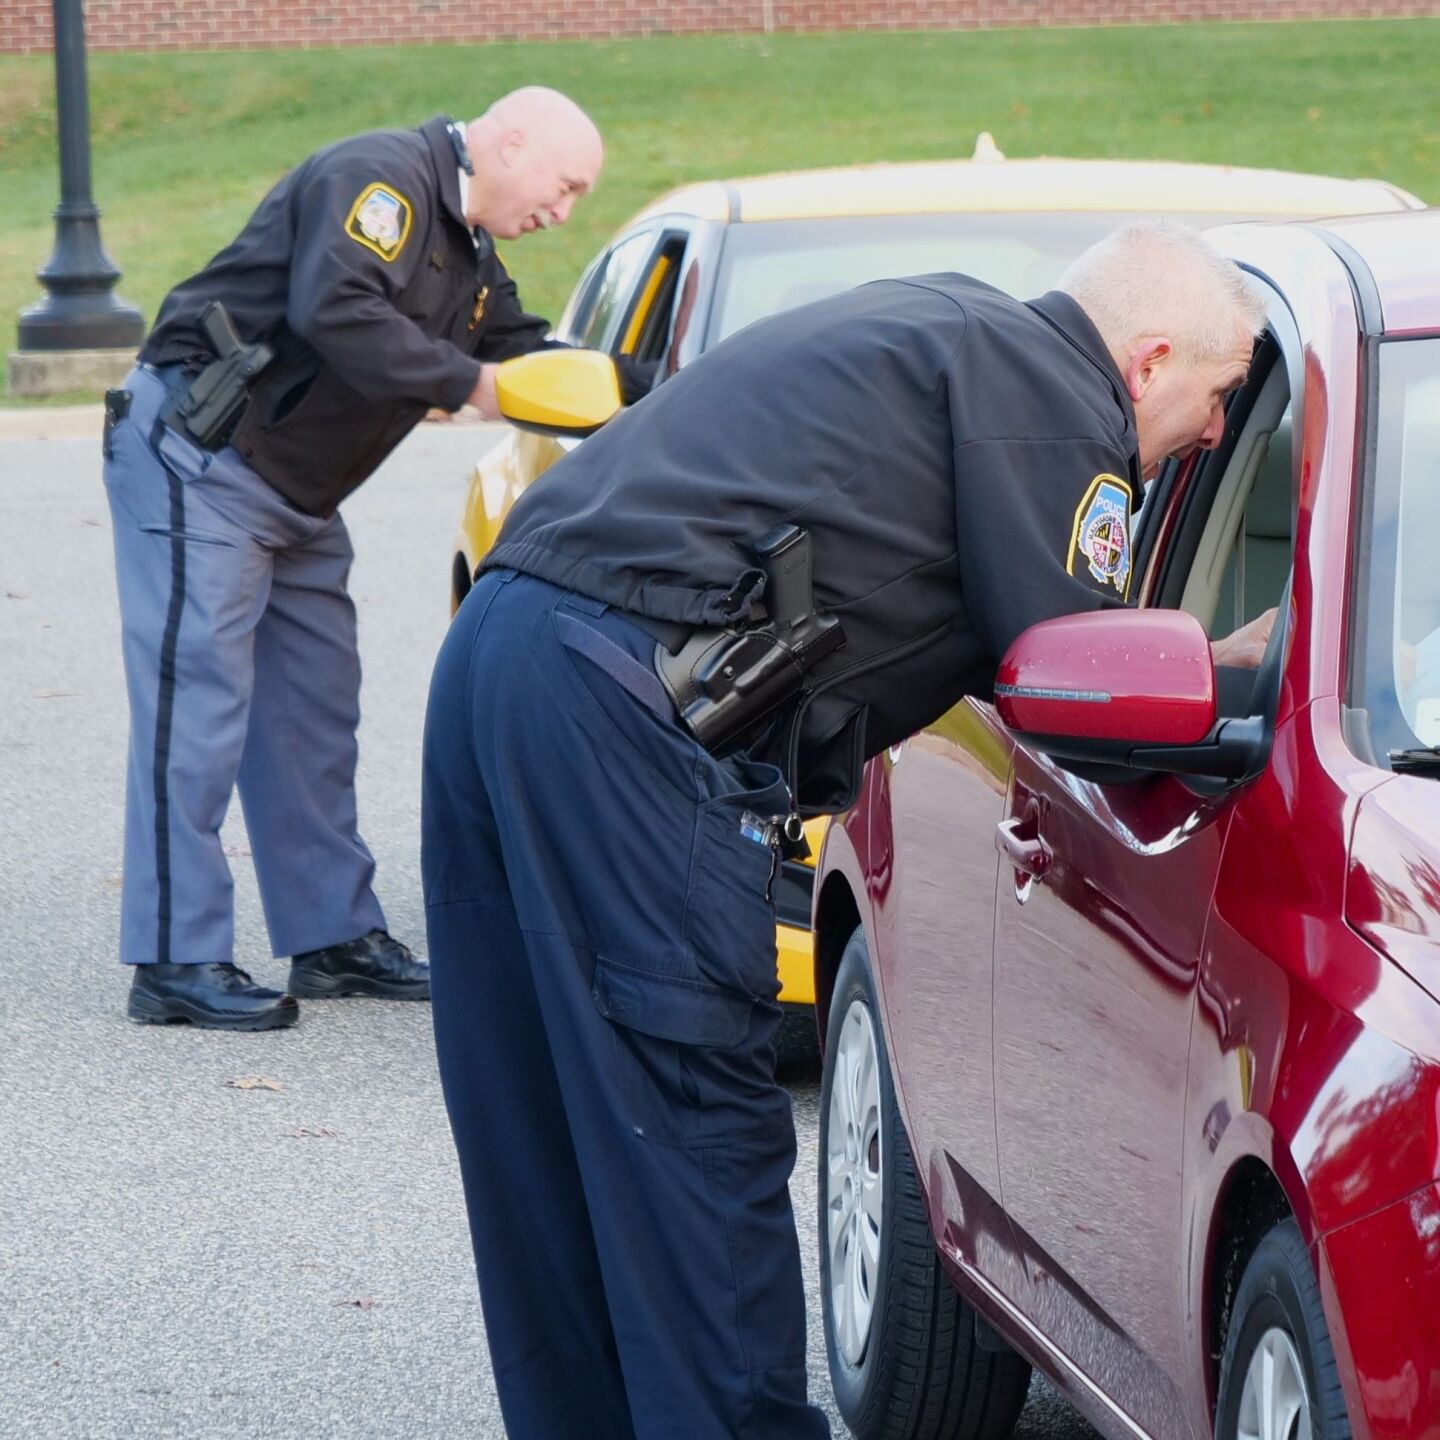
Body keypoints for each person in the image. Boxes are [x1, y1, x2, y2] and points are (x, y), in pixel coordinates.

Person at [420, 220, 1272, 1438]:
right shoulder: (1055, 405)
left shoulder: (951, 325)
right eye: (1221, 390)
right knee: (691, 1143)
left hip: (506, 655)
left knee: (544, 1145)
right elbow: (1083, 692)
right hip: (625, 710)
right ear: (1144, 365)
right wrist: (1230, 673)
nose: (1217, 428)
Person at [105, 87, 611, 1031]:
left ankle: (333, 938)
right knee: (197, 705)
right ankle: (173, 958)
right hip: (200, 458)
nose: (564, 210)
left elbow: (520, 346)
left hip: (297, 493)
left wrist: (626, 393)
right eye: (564, 184)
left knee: (314, 711)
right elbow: (335, 305)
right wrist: (476, 388)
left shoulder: (469, 250)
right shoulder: (381, 181)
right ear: (510, 141)